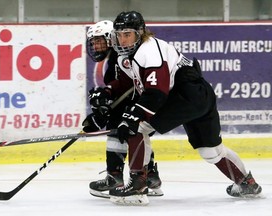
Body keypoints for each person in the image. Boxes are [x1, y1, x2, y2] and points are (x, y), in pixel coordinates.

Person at [89, 11, 262, 205]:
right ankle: (247, 183)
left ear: (140, 33)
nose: (122, 39)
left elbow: (157, 93)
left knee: (136, 126)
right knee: (211, 151)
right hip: (200, 94)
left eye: (127, 34)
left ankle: (138, 186)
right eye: (119, 34)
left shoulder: (150, 51)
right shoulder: (129, 54)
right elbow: (127, 81)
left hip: (184, 95)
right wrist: (107, 93)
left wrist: (134, 114)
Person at [82, 20, 163, 199]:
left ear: (111, 38)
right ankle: (149, 177)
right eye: (93, 42)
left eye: (99, 40)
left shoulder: (124, 56)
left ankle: (118, 177)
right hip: (139, 102)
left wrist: (106, 108)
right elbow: (118, 86)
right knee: (126, 129)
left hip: (146, 103)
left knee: (127, 128)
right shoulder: (116, 57)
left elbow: (134, 86)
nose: (95, 45)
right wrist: (104, 97)